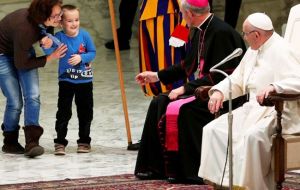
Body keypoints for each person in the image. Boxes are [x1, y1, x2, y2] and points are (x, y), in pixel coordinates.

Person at [134, 0, 246, 184]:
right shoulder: (202, 30)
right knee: (159, 101)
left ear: (190, 14)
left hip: (222, 95)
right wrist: (156, 76)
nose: (183, 18)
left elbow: (221, 76)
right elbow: (188, 65)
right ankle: (155, 167)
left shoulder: (222, 33)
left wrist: (185, 88)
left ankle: (189, 171)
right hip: (203, 90)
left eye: (184, 14)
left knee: (184, 111)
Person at [199, 13, 300, 189]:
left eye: (246, 34)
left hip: (278, 112)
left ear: (257, 35)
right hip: (252, 109)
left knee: (252, 137)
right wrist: (219, 92)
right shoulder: (253, 51)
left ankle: (254, 186)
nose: (244, 38)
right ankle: (223, 184)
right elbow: (237, 79)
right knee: (213, 130)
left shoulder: (283, 49)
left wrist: (275, 86)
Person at [0, 0, 67, 158]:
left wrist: (46, 39)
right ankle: (10, 142)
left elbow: (44, 35)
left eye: (60, 13)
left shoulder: (41, 20)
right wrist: (50, 57)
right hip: (2, 54)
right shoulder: (26, 29)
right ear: (43, 16)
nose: (60, 18)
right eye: (56, 16)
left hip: (21, 49)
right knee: (15, 101)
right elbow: (21, 64)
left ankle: (32, 142)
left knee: (33, 95)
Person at [44, 4, 96, 155]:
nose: (74, 23)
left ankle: (84, 141)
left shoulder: (85, 36)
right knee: (64, 112)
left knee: (85, 112)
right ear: (61, 22)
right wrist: (44, 42)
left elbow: (92, 52)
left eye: (77, 20)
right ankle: (60, 142)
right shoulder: (59, 37)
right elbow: (48, 49)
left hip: (85, 82)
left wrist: (82, 57)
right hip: (66, 82)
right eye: (69, 21)